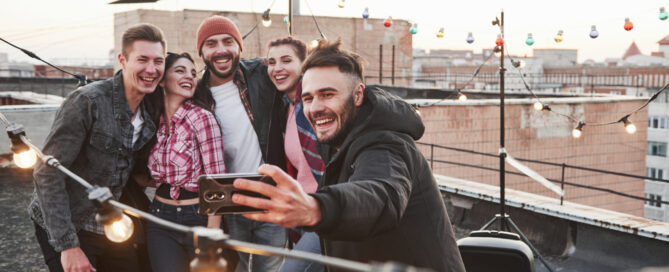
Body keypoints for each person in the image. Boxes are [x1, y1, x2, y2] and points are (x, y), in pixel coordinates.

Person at [231, 39, 467, 272]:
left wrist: (317, 208)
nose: (315, 108)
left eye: (327, 94)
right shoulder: (336, 138)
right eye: (308, 98)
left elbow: (380, 195)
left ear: (357, 95)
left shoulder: (386, 142)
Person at [29, 24, 165, 272]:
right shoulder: (87, 102)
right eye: (142, 59)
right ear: (122, 60)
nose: (152, 69)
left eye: (159, 61)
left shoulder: (152, 110)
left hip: (112, 222)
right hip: (69, 221)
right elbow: (46, 172)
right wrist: (68, 246)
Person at [194, 15, 287, 272]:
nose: (221, 50)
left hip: (271, 195)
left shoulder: (262, 75)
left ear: (239, 47)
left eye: (228, 41)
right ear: (200, 51)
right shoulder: (196, 95)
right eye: (211, 44)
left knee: (271, 268)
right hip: (229, 200)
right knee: (238, 267)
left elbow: (301, 75)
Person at [142, 52, 225, 271]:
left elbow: (216, 180)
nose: (189, 76)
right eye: (180, 71)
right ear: (161, 80)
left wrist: (213, 232)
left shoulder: (202, 117)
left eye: (193, 73)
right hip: (160, 219)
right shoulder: (152, 121)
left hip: (197, 218)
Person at [266, 36, 325, 272]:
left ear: (304, 64)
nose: (277, 68)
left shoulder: (313, 105)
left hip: (325, 208)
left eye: (286, 60)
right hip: (301, 207)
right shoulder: (286, 108)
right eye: (271, 62)